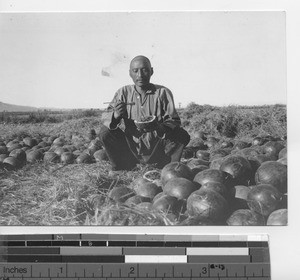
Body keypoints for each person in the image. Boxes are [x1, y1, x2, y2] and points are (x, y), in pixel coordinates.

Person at [99, 55, 190, 172]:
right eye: (135, 71)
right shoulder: (123, 92)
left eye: (144, 70)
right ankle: (121, 168)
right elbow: (105, 117)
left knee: (181, 134)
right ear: (130, 73)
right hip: (130, 148)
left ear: (151, 71)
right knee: (105, 132)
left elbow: (174, 121)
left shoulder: (163, 93)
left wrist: (159, 127)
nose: (140, 75)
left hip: (157, 147)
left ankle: (170, 169)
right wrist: (116, 115)